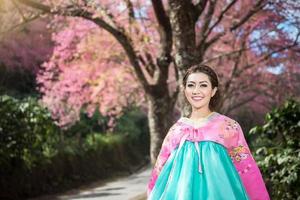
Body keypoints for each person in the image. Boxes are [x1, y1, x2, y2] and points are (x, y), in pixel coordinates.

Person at [147, 65, 270, 200]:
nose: (196, 91)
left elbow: (246, 168)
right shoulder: (176, 130)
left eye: (203, 85)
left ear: (213, 91)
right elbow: (159, 171)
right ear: (185, 90)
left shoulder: (228, 127)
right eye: (191, 85)